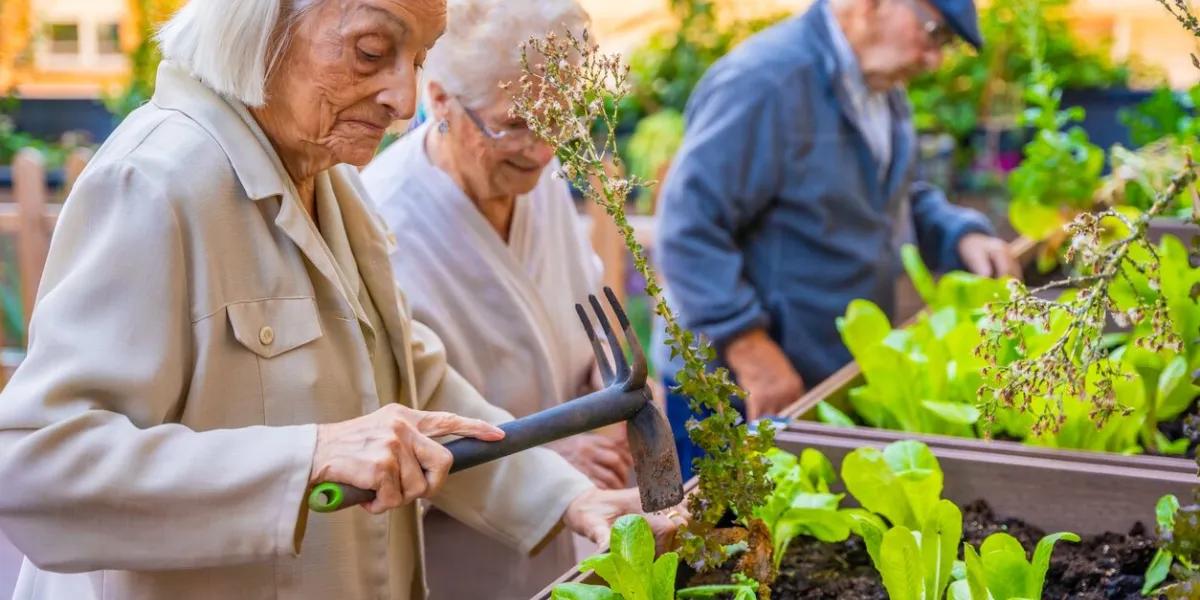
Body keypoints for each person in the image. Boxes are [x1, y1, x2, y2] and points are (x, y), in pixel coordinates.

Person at [0, 1, 681, 599]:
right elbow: (36, 467)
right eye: (373, 52)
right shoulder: (154, 182)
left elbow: (421, 383)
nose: (406, 99)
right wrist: (310, 455)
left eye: (417, 59)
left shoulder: (334, 184)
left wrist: (571, 498)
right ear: (266, 22)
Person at [651, 0, 1022, 479]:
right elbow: (688, 226)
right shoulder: (767, 81)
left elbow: (896, 193)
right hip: (737, 387)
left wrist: (960, 235)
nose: (935, 60)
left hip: (818, 377)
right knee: (724, 546)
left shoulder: (880, 89)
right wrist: (750, 350)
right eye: (934, 32)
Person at [359, 0, 634, 597]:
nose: (539, 150)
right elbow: (395, 417)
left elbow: (584, 306)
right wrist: (555, 458)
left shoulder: (538, 182)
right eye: (514, 124)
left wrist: (616, 392)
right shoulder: (378, 223)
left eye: (557, 120)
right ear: (439, 101)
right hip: (466, 551)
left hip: (583, 514)